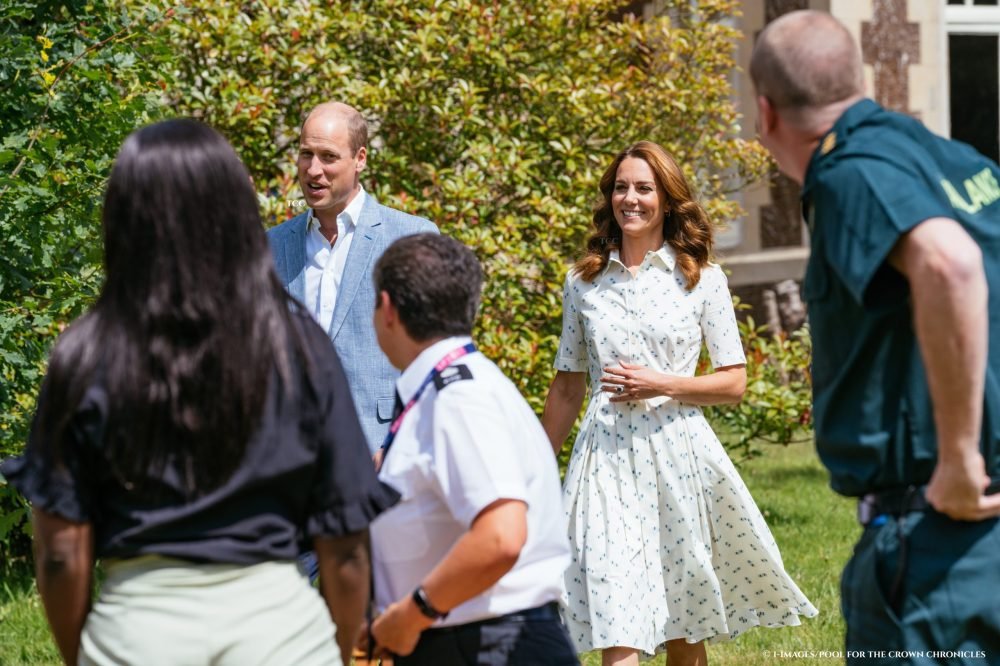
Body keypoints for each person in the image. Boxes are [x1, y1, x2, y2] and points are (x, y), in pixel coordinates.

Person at [0, 119, 399, 665]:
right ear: (234, 211)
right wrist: (327, 647)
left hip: (139, 631)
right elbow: (346, 540)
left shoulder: (87, 352)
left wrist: (82, 653)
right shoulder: (296, 341)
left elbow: (61, 551)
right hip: (279, 632)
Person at [750, 10, 1000, 662]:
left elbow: (950, 265)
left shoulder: (851, 172)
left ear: (765, 113)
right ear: (855, 82)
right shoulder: (954, 159)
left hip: (937, 547)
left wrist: (958, 458)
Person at [542, 141, 817, 666]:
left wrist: (661, 383)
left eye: (644, 188)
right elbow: (567, 387)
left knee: (683, 624)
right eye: (621, 187)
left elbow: (733, 382)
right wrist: (531, 471)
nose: (631, 198)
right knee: (615, 611)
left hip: (677, 455)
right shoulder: (582, 283)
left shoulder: (702, 278)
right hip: (605, 461)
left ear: (667, 200)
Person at [362, 233, 578, 665]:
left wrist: (411, 614)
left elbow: (500, 536)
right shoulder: (450, 389)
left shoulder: (458, 399)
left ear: (387, 309)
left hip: (483, 645)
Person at [267, 101, 438, 455]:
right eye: (305, 154)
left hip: (380, 455)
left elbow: (434, 357)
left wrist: (397, 448)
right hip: (292, 458)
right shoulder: (270, 246)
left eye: (328, 157)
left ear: (360, 158)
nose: (313, 170)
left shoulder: (411, 238)